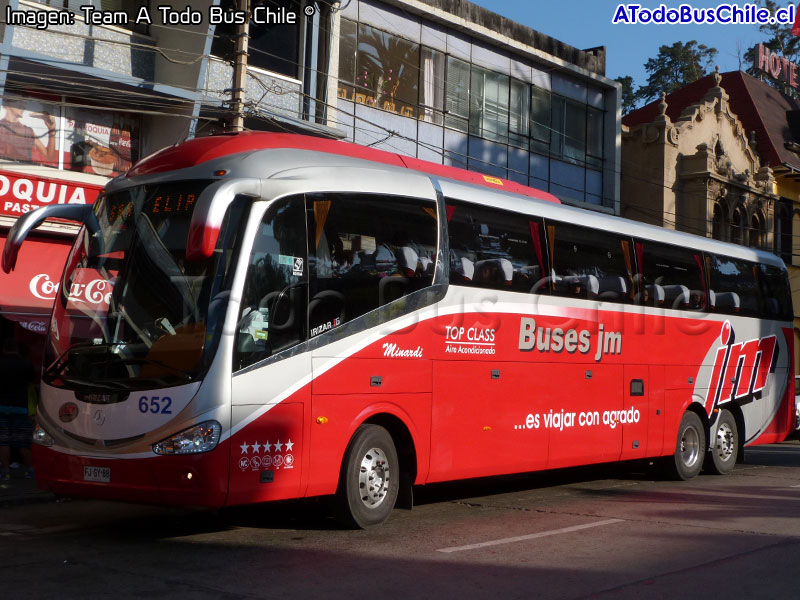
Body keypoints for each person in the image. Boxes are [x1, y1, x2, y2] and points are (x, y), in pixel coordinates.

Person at [0, 338, 36, 481]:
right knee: (23, 442)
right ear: (16, 349)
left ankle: (5, 472)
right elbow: (31, 383)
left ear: (4, 349)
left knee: (3, 442)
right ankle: (30, 470)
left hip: (1, 408)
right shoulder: (26, 364)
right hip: (21, 408)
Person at [0, 98, 58, 165]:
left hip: (23, 172)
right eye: (19, 102)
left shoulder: (28, 131)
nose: (23, 106)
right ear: (7, 105)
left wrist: (51, 130)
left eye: (24, 103)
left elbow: (49, 158)